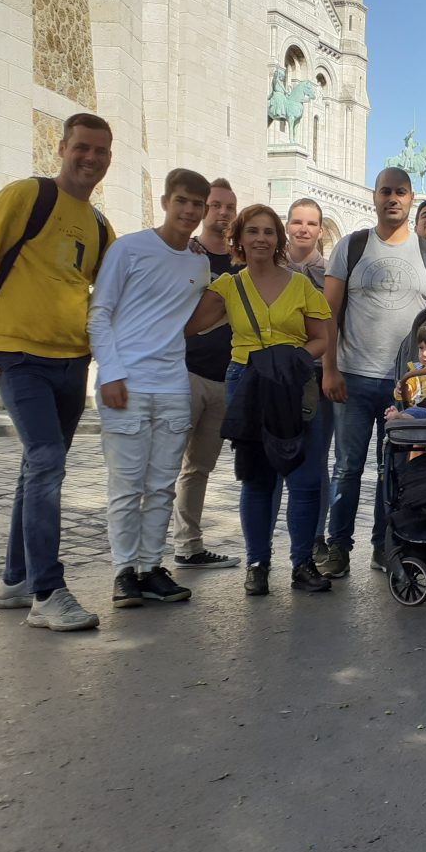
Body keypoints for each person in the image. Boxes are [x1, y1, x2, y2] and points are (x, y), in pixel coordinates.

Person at [0, 112, 115, 631]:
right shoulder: (26, 196)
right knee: (46, 461)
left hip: (71, 362)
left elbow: (113, 290)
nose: (91, 159)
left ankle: (16, 580)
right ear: (62, 148)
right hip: (18, 355)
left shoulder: (101, 227)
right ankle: (47, 592)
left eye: (101, 151)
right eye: (82, 147)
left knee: (35, 468)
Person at [185, 203, 333, 596]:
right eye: (253, 231)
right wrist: (187, 261)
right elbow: (190, 325)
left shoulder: (301, 285)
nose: (261, 239)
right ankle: (257, 564)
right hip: (247, 381)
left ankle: (301, 563)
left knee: (304, 477)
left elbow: (322, 337)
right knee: (257, 478)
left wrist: (295, 359)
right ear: (240, 239)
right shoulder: (228, 287)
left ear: (278, 239)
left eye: (268, 232)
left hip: (293, 383)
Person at [319, 168, 426, 578]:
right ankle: (339, 547)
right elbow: (328, 313)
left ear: (412, 199)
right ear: (374, 197)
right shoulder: (351, 245)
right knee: (347, 467)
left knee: (395, 469)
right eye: (385, 192)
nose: (393, 198)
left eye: (401, 192)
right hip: (354, 376)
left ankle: (385, 544)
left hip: (407, 385)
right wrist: (329, 369)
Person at [89, 169, 212, 608]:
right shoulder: (128, 248)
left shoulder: (199, 262)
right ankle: (124, 572)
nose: (189, 210)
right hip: (128, 384)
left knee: (161, 485)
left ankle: (149, 567)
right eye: (182, 201)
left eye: (197, 204)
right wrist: (112, 373)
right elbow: (99, 313)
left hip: (173, 385)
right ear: (165, 201)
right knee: (126, 485)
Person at [171, 177, 241, 570]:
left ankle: (188, 545)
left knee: (199, 466)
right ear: (204, 209)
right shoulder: (186, 254)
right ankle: (143, 560)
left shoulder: (242, 262)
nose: (223, 212)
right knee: (166, 464)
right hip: (185, 373)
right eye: (216, 205)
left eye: (229, 207)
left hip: (225, 379)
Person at [285, 198, 336, 561]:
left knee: (316, 459)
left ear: (321, 229)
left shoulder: (332, 273)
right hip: (276, 375)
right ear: (288, 226)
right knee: (271, 460)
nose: (303, 229)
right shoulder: (269, 267)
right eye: (297, 222)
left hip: (318, 375)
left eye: (311, 223)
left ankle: (316, 535)